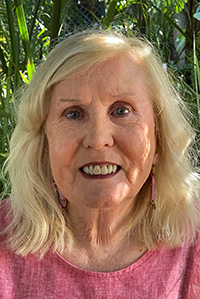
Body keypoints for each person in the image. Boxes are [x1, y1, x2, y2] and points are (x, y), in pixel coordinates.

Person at [0, 29, 199, 298]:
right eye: (73, 114)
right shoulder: (4, 238)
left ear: (159, 138)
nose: (98, 139)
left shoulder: (194, 243)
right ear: (44, 142)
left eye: (121, 110)